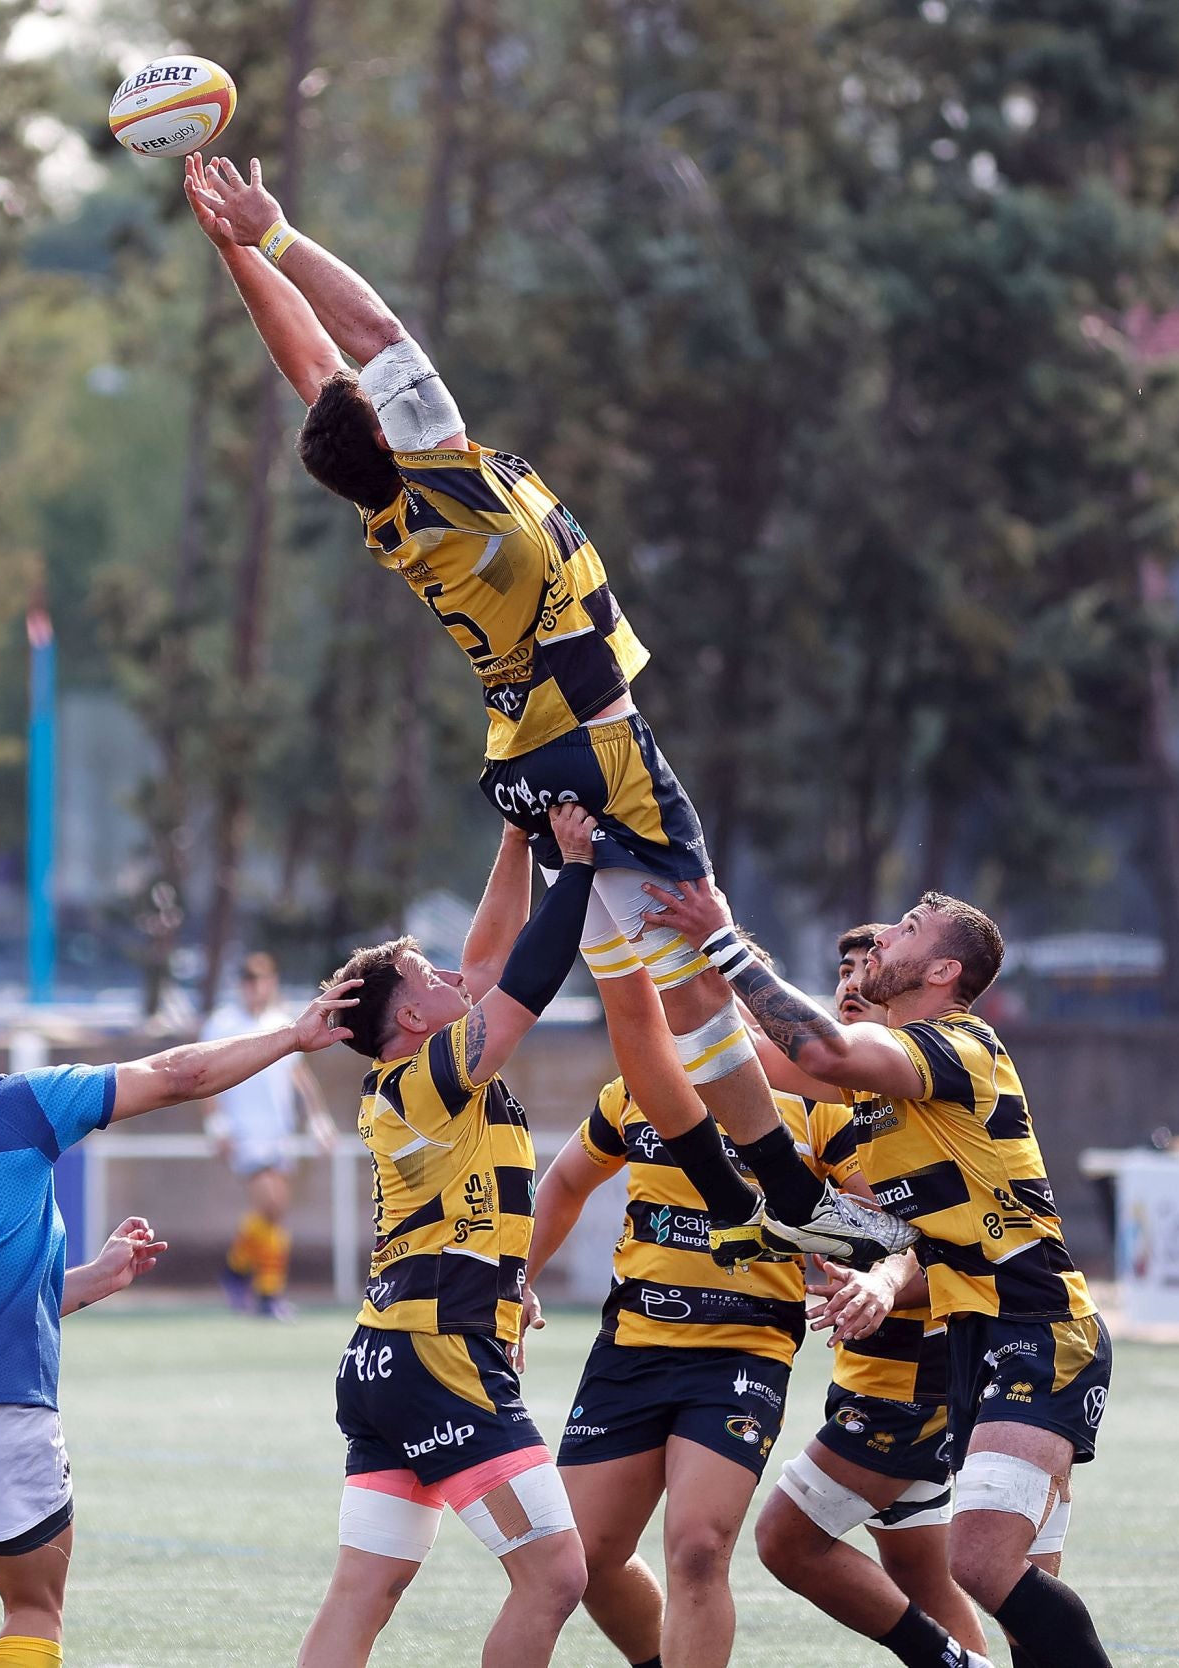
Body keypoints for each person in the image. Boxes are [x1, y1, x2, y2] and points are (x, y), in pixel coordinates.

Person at [182, 151, 911, 1272]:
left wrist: (235, 254)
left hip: (532, 760)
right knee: (696, 978)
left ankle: (743, 1195)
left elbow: (314, 365)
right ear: (389, 429)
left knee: (644, 1008)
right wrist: (273, 230)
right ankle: (786, 1194)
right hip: (600, 747)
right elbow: (370, 331)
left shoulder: (392, 509)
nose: (377, 381)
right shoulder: (445, 472)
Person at [0, 966, 356, 1668]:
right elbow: (179, 1075)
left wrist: (92, 1281)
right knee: (32, 1609)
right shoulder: (11, 1105)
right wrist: (291, 1036)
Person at [646, 881, 1115, 1668]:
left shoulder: (960, 1045)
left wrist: (722, 939)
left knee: (979, 1564)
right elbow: (736, 1061)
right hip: (976, 1340)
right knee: (1017, 1600)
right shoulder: (878, 1078)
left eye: (908, 928)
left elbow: (820, 1050)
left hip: (1039, 1329)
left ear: (942, 971)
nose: (885, 938)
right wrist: (654, 951)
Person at [515, 931, 949, 1668]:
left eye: (696, 987)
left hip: (742, 1352)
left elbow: (896, 1229)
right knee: (582, 1560)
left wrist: (876, 1279)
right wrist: (517, 1280)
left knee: (697, 1548)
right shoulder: (637, 1090)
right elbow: (563, 1184)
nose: (677, 1003)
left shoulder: (815, 1109)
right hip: (632, 1345)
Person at [300, 807, 600, 1668]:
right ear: (409, 1017)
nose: (454, 976)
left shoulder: (415, 1076)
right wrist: (574, 867)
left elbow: (490, 962)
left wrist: (513, 842)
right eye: (428, 974)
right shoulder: (430, 1075)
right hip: (439, 1356)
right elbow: (523, 981)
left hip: (387, 1357)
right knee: (555, 1574)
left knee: (363, 1592)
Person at [752, 926, 990, 1668]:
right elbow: (737, 1052)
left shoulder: (912, 1097)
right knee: (923, 1573)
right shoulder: (848, 1101)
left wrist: (882, 1279)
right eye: (844, 970)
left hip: (915, 1377)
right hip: (875, 1370)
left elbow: (931, 1241)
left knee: (785, 1540)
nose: (853, 982)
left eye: (871, 967)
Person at [203, 949, 338, 1319]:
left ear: (272, 983)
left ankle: (240, 1272)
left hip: (279, 1133)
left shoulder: (282, 1022)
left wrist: (318, 1119)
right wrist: (216, 1125)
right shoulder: (222, 1023)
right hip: (245, 1133)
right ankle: (264, 1291)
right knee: (272, 1205)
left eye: (261, 980)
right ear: (241, 985)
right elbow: (205, 1077)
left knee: (275, 1212)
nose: (256, 988)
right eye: (249, 981)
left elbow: (298, 1075)